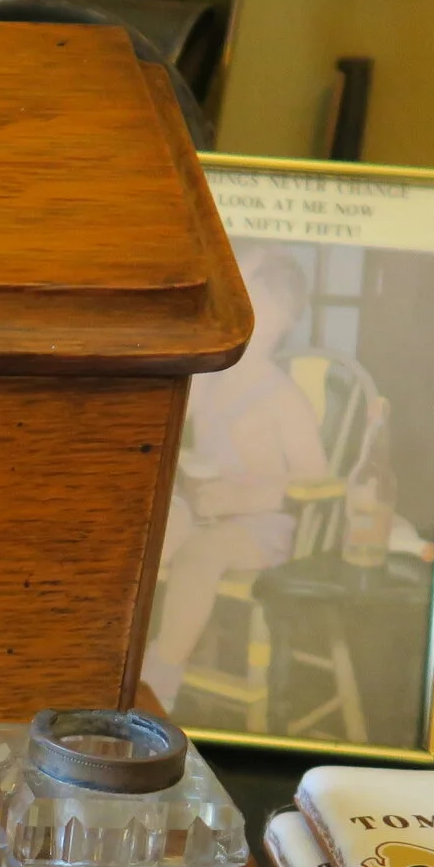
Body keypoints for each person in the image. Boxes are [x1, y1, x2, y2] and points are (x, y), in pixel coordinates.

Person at [141, 244, 331, 709]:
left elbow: (315, 478)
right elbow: (184, 435)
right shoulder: (215, 378)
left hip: (261, 523)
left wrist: (237, 500)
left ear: (280, 319)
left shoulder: (281, 396)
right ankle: (112, 651)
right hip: (206, 505)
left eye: (249, 302)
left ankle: (160, 672)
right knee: (157, 534)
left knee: (201, 556)